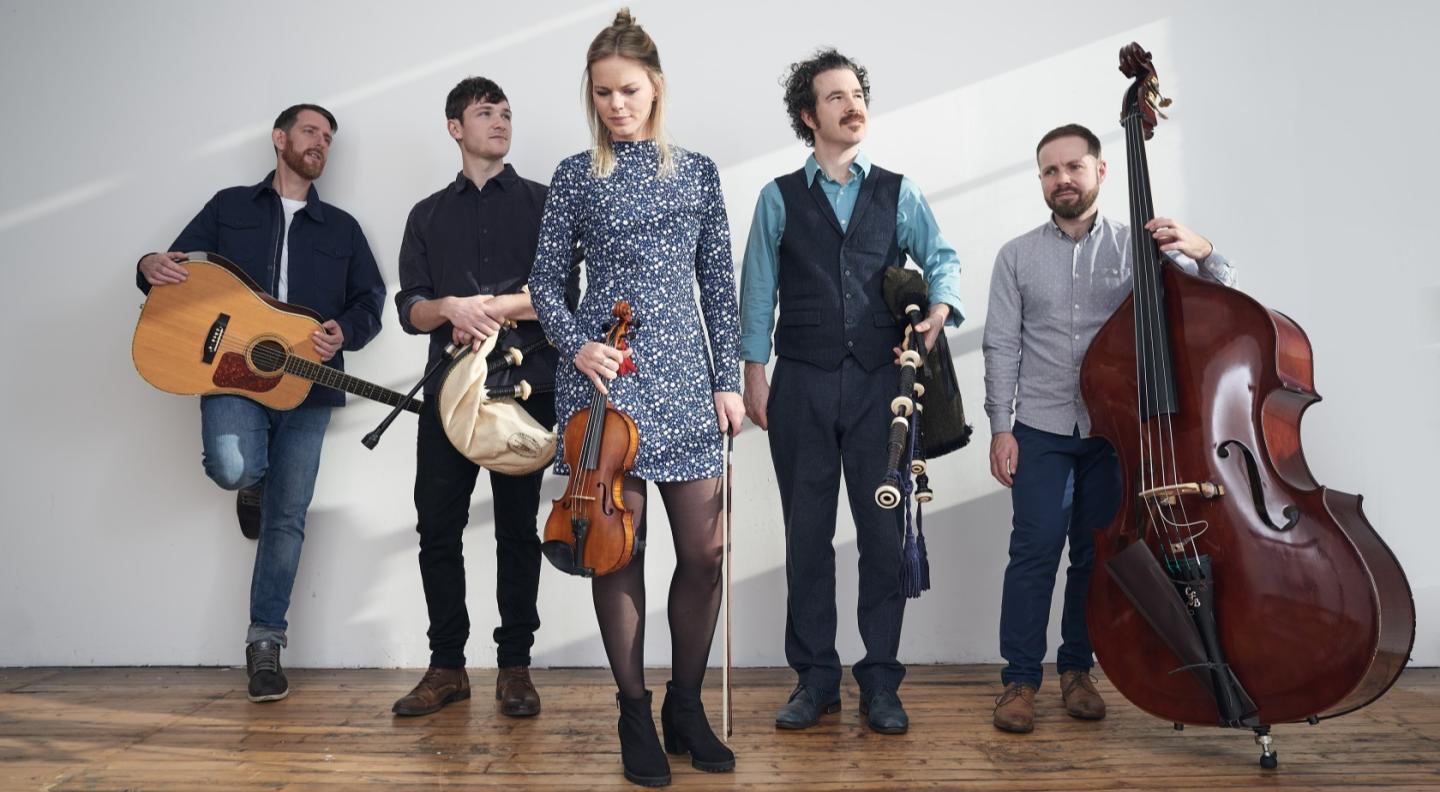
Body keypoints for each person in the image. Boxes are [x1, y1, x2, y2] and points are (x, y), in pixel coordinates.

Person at [528, 9, 742, 787]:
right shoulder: (575, 175)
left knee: (704, 551)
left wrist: (727, 380)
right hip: (603, 384)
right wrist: (573, 341)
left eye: (628, 90)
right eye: (603, 94)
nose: (616, 105)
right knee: (616, 548)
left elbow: (718, 283)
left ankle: (685, 705)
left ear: (655, 87)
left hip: (686, 379)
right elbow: (545, 283)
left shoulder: (698, 172)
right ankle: (632, 710)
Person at [737, 48, 964, 736]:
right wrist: (753, 371)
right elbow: (757, 290)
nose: (851, 104)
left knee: (882, 536)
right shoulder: (778, 196)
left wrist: (940, 308)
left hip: (879, 387)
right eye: (834, 97)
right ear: (810, 116)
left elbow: (944, 257)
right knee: (805, 536)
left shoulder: (898, 191)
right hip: (800, 381)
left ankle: (881, 681)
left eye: (856, 93)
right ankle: (815, 679)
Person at [982, 123, 1236, 734]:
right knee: (1033, 552)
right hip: (1041, 427)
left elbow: (1217, 301)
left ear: (1100, 171)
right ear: (1040, 181)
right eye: (1049, 170)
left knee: (1094, 559)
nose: (1061, 179)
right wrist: (1000, 427)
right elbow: (1000, 346)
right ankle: (1019, 680)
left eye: (1073, 167)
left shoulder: (1141, 247)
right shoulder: (1016, 256)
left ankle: (1077, 670)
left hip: (1116, 434)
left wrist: (1204, 250)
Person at [134, 104, 385, 703]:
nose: (319, 143)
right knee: (234, 465)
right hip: (229, 375)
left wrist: (343, 333)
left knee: (288, 518)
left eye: (327, 137)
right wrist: (145, 266)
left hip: (309, 385)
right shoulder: (227, 207)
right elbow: (175, 272)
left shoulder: (343, 229)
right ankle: (253, 479)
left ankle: (265, 641)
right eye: (309, 131)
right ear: (279, 139)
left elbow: (370, 301)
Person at [391, 77, 578, 719]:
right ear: (455, 128)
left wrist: (490, 307)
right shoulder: (427, 214)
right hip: (448, 396)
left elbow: (564, 295)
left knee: (517, 532)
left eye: (506, 112)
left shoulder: (546, 202)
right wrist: (446, 308)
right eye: (484, 113)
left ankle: (515, 668)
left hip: (530, 390)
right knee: (437, 529)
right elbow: (409, 308)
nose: (499, 122)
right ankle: (447, 667)